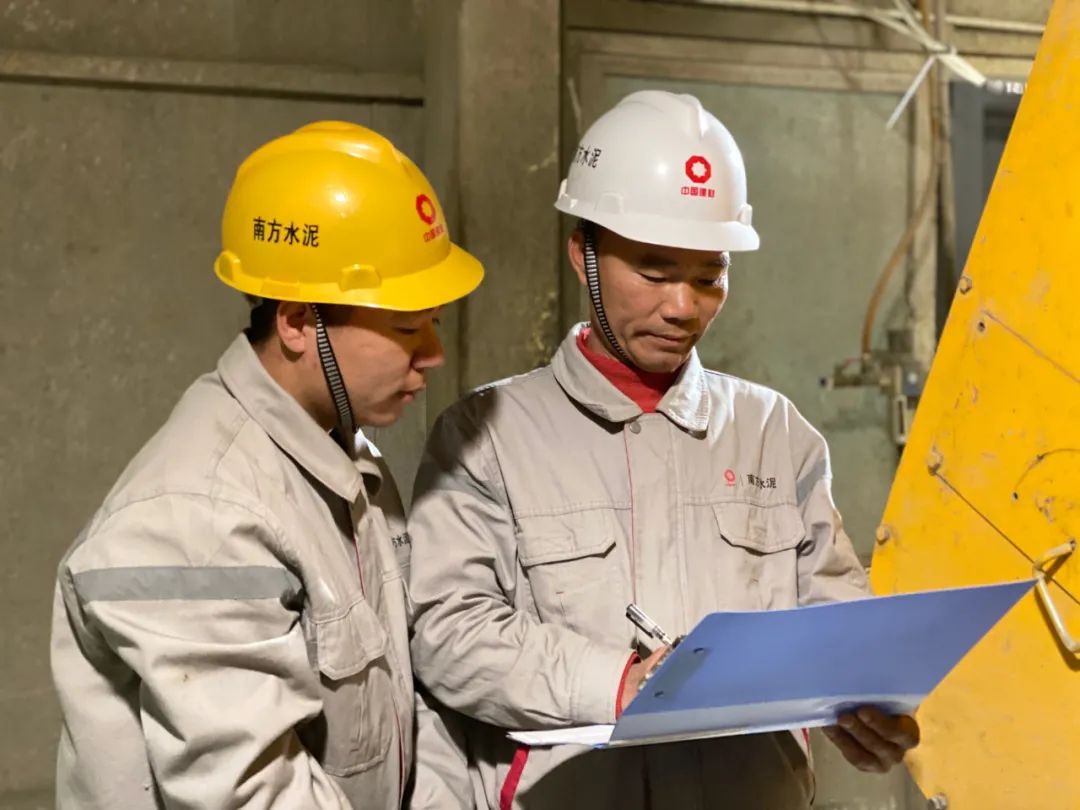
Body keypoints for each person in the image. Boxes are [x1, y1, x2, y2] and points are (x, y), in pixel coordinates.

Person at [407, 91, 919, 809]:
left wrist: (863, 708)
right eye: (653, 271)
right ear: (583, 255)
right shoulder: (487, 437)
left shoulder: (775, 434)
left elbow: (835, 628)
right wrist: (616, 683)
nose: (682, 307)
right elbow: (448, 632)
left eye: (709, 276)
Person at [50, 121, 483, 809]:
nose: (433, 354)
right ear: (298, 321)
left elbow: (408, 701)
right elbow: (252, 794)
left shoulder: (347, 461)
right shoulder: (197, 515)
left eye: (432, 321)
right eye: (407, 327)